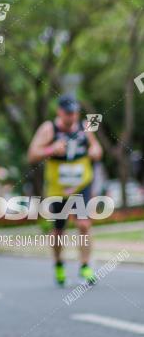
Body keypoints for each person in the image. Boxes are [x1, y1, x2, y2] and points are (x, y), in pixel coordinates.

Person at [28, 94, 103, 286]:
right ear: (59, 112)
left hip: (81, 184)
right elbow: (32, 155)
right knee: (58, 231)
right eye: (68, 113)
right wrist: (50, 150)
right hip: (57, 189)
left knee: (84, 224)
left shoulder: (87, 125)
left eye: (75, 113)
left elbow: (97, 149)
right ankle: (59, 264)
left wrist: (95, 151)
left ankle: (85, 266)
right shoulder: (48, 128)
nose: (72, 117)